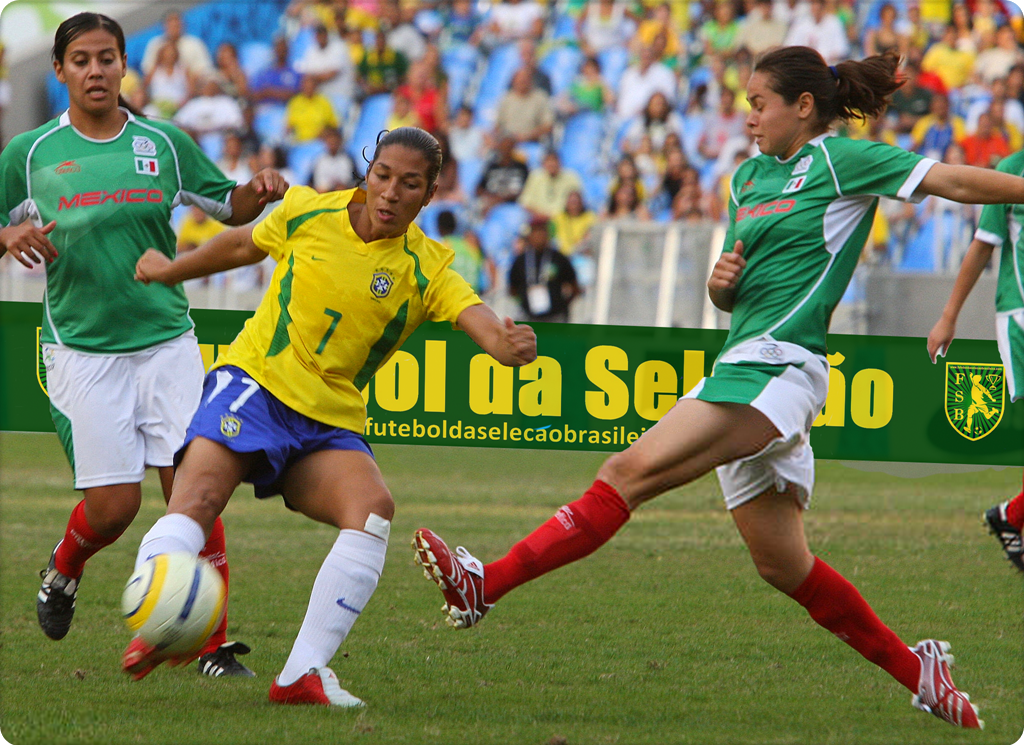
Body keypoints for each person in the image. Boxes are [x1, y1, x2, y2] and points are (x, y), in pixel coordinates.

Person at [411, 46, 1024, 731]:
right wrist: (720, 283)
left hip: (782, 367)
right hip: (742, 355)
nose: (750, 118)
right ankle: (922, 673)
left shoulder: (843, 160)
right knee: (784, 566)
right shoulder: (744, 182)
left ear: (803, 106)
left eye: (759, 104)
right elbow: (730, 291)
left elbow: (958, 184)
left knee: (626, 472)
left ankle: (483, 585)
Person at [121, 127, 537, 704]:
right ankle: (156, 611)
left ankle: (300, 674)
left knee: (370, 512)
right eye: (383, 175)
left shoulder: (428, 266)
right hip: (255, 384)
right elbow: (243, 246)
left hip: (328, 420)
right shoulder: (307, 210)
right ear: (368, 171)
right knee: (197, 500)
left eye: (409, 184)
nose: (391, 192)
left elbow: (481, 320)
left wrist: (506, 344)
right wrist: (171, 270)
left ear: (431, 193)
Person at [0, 12, 288, 676]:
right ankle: (65, 566)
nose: (95, 70)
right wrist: (7, 235)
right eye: (81, 60)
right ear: (59, 71)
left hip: (166, 341)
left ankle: (212, 642)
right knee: (114, 507)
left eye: (107, 58)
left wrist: (259, 190)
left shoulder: (162, 142)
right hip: (83, 349)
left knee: (197, 487)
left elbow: (228, 206)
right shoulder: (30, 154)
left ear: (124, 66)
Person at [927, 148, 1024, 576]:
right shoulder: (1011, 171)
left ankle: (1011, 516)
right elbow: (983, 247)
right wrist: (948, 317)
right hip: (1020, 315)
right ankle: (1011, 517)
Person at [508, 216, 579, 322]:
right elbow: (513, 288)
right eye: (536, 232)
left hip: (555, 316)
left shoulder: (558, 258)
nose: (539, 236)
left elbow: (573, 285)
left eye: (542, 231)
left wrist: (563, 303)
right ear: (530, 235)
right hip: (529, 316)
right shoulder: (521, 261)